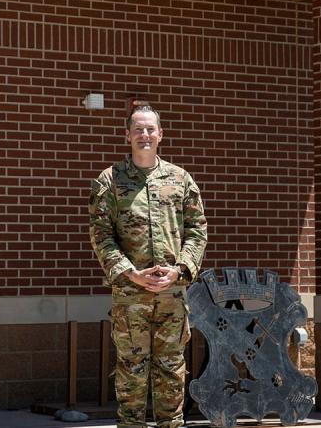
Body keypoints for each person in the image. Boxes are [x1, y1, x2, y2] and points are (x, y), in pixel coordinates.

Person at [88, 104, 208, 428]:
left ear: (160, 134)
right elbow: (101, 234)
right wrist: (130, 272)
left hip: (172, 295)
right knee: (131, 370)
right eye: (138, 129)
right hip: (130, 296)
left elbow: (197, 230)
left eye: (150, 129)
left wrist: (180, 269)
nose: (145, 135)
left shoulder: (180, 179)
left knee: (171, 369)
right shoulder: (110, 181)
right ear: (127, 135)